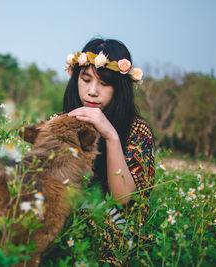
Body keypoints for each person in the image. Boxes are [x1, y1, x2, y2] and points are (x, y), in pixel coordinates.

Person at [63, 38, 155, 265]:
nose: (92, 91)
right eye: (85, 80)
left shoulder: (136, 130)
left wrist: (111, 136)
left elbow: (123, 198)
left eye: (104, 84)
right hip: (66, 230)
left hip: (117, 235)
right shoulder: (61, 124)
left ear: (119, 89)